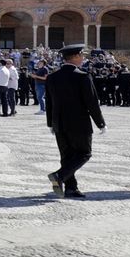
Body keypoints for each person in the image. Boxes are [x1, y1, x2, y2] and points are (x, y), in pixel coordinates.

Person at [44, 43, 106, 199]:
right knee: (84, 153)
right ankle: (59, 175)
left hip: (59, 122)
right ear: (77, 56)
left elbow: (49, 102)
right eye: (82, 55)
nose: (83, 58)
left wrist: (51, 123)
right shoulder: (83, 76)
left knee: (67, 156)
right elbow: (91, 102)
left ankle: (71, 188)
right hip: (79, 122)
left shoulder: (52, 77)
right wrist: (100, 123)